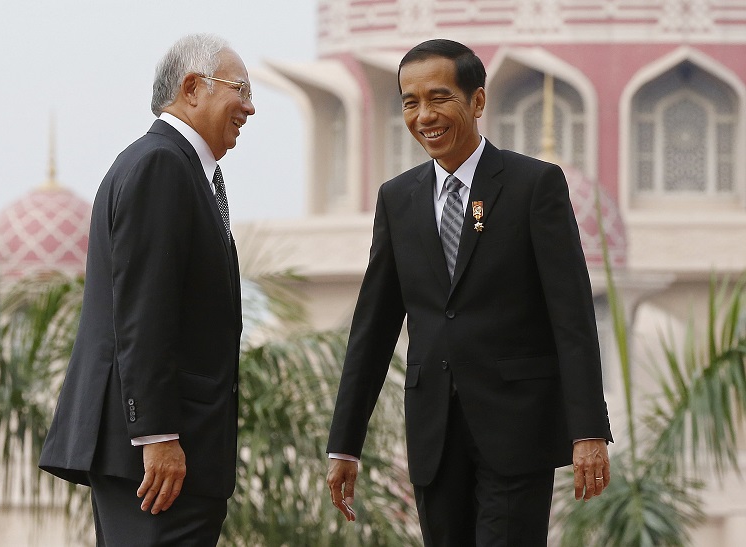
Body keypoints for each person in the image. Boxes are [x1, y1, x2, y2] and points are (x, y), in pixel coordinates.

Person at [326, 39, 612, 546]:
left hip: (516, 430)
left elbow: (572, 317)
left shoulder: (534, 185)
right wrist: (344, 444)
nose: (424, 116)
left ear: (478, 101)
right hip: (434, 434)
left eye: (440, 98)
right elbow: (372, 329)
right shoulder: (397, 198)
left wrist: (588, 429)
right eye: (410, 102)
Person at [39, 33, 255, 546]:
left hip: (177, 455)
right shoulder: (161, 164)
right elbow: (144, 309)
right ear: (192, 87)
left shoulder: (183, 169)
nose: (250, 106)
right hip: (157, 460)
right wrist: (156, 435)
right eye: (240, 89)